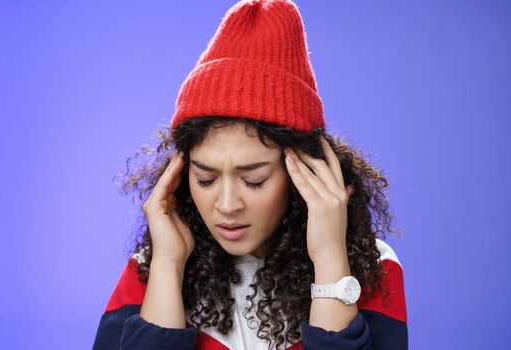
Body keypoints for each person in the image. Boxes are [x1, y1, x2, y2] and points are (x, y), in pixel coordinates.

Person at [91, 1, 408, 349]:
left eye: (254, 180)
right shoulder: (151, 268)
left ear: (302, 172)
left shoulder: (372, 268)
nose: (226, 205)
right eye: (206, 179)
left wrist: (330, 259)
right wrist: (168, 266)